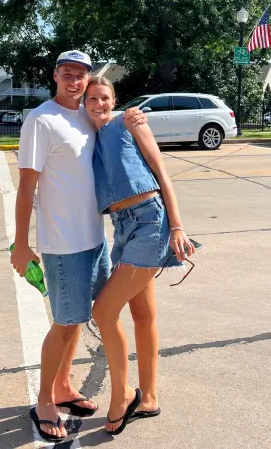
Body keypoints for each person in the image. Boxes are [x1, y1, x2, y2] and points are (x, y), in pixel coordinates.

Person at [10, 51, 145, 442]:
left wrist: (135, 118)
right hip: (63, 243)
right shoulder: (41, 120)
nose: (74, 81)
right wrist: (22, 244)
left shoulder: (86, 115)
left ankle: (63, 386)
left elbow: (112, 119)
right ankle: (44, 402)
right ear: (55, 76)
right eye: (67, 74)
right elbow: (27, 187)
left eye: (80, 76)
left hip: (94, 238)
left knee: (80, 320)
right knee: (64, 323)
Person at [84, 76, 196, 435]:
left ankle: (123, 395)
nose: (99, 104)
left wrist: (177, 226)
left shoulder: (128, 123)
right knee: (143, 315)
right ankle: (149, 398)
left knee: (103, 310)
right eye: (92, 98)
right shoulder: (88, 137)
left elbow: (161, 172)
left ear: (114, 100)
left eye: (105, 97)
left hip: (150, 220)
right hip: (122, 227)